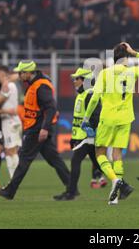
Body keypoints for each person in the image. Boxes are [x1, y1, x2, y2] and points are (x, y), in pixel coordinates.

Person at [81, 42, 139, 205]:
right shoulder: (132, 72)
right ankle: (117, 195)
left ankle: (115, 181)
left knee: (100, 153)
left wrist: (86, 118)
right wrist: (135, 52)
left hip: (108, 117)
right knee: (117, 154)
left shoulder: (105, 74)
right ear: (126, 58)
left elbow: (94, 98)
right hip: (126, 118)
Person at [0, 60, 70, 200]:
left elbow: (51, 107)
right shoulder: (35, 83)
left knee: (24, 159)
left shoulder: (40, 86)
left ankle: (10, 191)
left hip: (37, 129)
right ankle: (72, 188)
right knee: (54, 159)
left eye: (22, 72)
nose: (19, 75)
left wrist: (44, 129)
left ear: (29, 73)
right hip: (36, 128)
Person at [53, 68, 106, 201]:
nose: (74, 81)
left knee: (76, 161)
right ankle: (122, 186)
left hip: (88, 137)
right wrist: (73, 137)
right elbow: (78, 119)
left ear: (84, 81)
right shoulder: (81, 95)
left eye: (76, 79)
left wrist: (90, 133)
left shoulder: (89, 95)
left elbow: (95, 115)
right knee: (99, 164)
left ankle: (71, 192)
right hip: (82, 137)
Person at [0, 66, 23, 179]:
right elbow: (15, 76)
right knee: (10, 150)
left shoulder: (8, 86)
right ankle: (15, 177)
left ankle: (15, 178)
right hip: (10, 121)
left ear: (4, 74)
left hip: (10, 121)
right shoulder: (9, 84)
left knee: (11, 150)